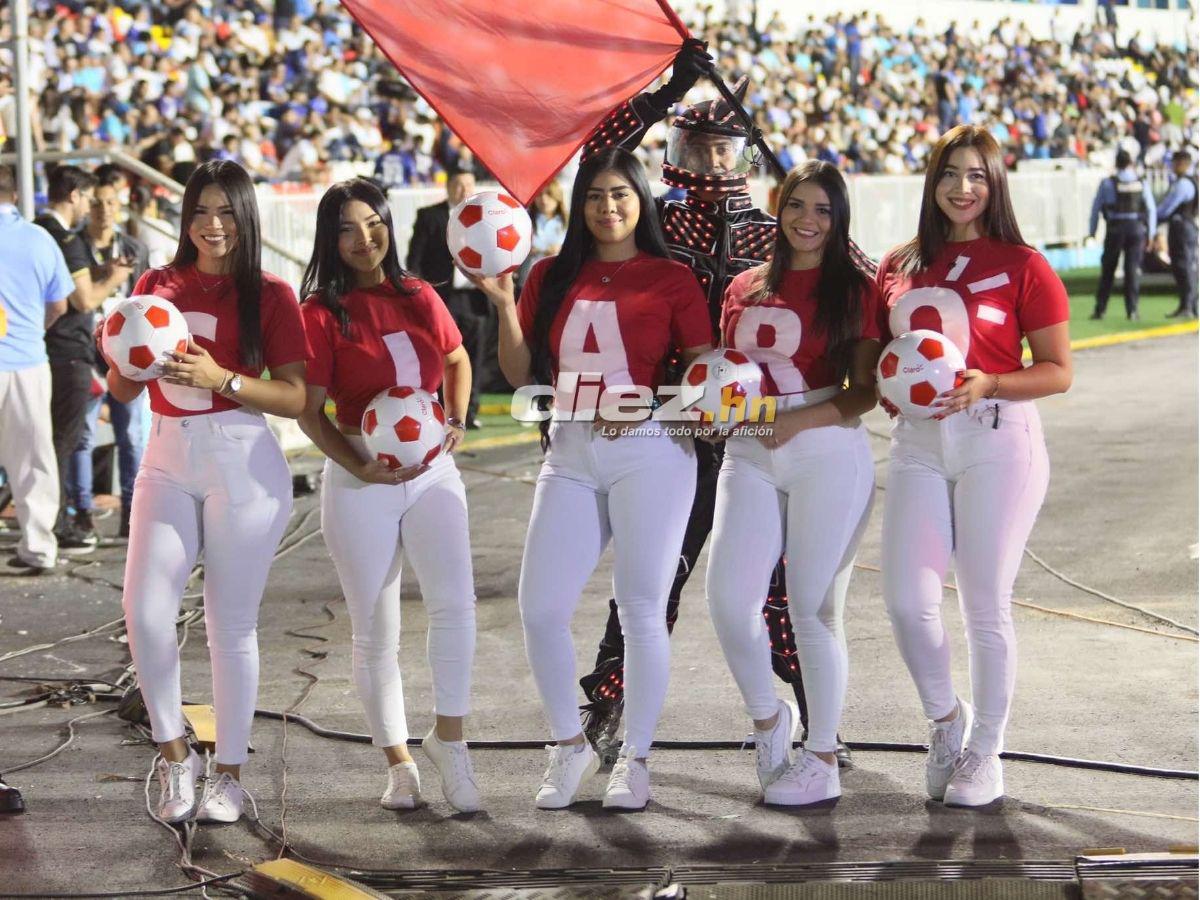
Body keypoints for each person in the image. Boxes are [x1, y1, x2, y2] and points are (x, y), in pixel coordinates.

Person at [577, 45, 863, 767]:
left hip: (763, 435)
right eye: (695, 146)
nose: (707, 161)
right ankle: (608, 706)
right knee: (652, 580)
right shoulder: (652, 225)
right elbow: (599, 157)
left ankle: (813, 718)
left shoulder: (775, 232)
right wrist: (669, 87)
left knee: (782, 590)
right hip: (672, 432)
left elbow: (862, 281)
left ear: (742, 153)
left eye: (720, 148)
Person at [474, 148, 712, 810]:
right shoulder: (550, 273)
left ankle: (635, 759)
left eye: (620, 194)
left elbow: (707, 379)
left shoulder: (672, 277)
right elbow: (520, 374)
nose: (608, 207)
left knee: (640, 609)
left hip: (652, 452)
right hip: (571, 452)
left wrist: (646, 406)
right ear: (580, 205)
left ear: (642, 200)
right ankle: (568, 743)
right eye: (595, 195)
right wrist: (504, 305)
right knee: (540, 608)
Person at [104, 160, 308, 824]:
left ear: (245, 216)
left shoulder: (271, 293)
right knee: (144, 610)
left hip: (241, 457)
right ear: (185, 217)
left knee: (230, 625)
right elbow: (123, 390)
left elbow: (296, 397)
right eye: (200, 211)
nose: (212, 225)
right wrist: (121, 355)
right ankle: (175, 756)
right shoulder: (155, 284)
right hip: (166, 452)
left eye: (225, 211)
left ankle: (230, 774)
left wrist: (223, 378)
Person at [875, 125, 1072, 807]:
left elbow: (1058, 371)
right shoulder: (898, 263)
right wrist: (889, 387)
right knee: (906, 601)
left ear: (996, 185)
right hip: (918, 444)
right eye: (950, 173)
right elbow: (881, 361)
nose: (962, 188)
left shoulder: (1025, 264)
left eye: (977, 175)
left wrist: (991, 382)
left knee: (985, 603)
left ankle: (987, 750)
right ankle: (945, 722)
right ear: (932, 181)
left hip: (997, 436)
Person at [297, 178, 480, 813]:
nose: (364, 238)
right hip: (360, 478)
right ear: (330, 238)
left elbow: (457, 360)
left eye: (373, 223)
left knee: (455, 606)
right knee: (377, 630)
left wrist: (456, 420)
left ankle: (450, 743)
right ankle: (399, 764)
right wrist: (358, 465)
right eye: (347, 228)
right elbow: (309, 411)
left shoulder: (419, 294)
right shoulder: (320, 313)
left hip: (432, 473)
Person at [707, 161, 880, 807]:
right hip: (750, 448)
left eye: (823, 210)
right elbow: (727, 373)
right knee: (729, 602)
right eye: (797, 205)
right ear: (778, 208)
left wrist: (798, 421)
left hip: (825, 448)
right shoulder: (743, 286)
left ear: (839, 220)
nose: (808, 220)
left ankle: (823, 755)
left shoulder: (855, 288)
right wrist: (713, 410)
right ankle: (768, 718)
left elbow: (864, 391)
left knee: (812, 609)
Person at [35, 165, 132, 554]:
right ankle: (59, 523)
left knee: (56, 441)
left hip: (43, 352)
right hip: (69, 353)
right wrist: (113, 279)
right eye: (90, 199)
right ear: (74, 195)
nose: (91, 208)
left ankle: (56, 520)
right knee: (63, 442)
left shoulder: (35, 230)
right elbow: (84, 299)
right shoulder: (66, 239)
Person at [0, 164, 72, 576]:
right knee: (33, 460)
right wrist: (33, 331)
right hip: (27, 363)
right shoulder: (40, 238)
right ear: (14, 194)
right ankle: (39, 547)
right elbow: (59, 304)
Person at [73, 171, 151, 540]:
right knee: (83, 437)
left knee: (131, 438)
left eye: (110, 202)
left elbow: (147, 303)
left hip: (125, 360)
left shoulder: (134, 249)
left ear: (119, 207)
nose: (103, 209)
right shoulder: (74, 247)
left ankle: (132, 514)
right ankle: (81, 513)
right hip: (85, 357)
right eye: (96, 203)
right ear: (86, 206)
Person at [407, 167, 492, 427]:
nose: (464, 190)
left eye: (469, 184)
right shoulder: (429, 216)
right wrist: (420, 297)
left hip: (474, 298)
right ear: (448, 187)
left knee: (474, 356)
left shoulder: (486, 218)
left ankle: (469, 413)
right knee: (442, 356)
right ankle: (441, 410)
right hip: (441, 298)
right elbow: (415, 260)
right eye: (458, 184)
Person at [1089, 149, 1156, 321]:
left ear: (1116, 163)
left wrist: (1092, 231)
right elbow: (1150, 209)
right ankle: (1132, 311)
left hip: (1115, 229)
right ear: (1131, 163)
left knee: (1108, 270)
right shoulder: (1141, 182)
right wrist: (1151, 233)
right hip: (1136, 229)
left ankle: (1100, 309)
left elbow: (1096, 208)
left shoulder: (1107, 183)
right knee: (1132, 270)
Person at [1157, 148, 1198, 320]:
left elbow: (1167, 207)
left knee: (1184, 266)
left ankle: (1188, 306)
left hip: (1182, 228)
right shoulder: (1187, 181)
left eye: (1174, 163)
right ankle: (1187, 305)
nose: (1172, 167)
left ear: (1181, 163)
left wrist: (1153, 217)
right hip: (1184, 227)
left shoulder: (1183, 184)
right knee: (1183, 266)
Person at [517, 182, 568, 288]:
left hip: (558, 279)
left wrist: (561, 249)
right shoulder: (524, 219)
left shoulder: (568, 221)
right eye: (539, 195)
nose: (544, 200)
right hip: (528, 278)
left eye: (549, 194)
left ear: (557, 196)